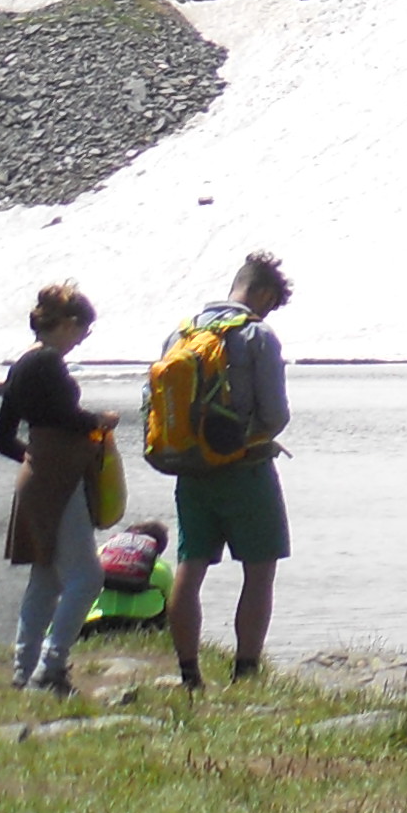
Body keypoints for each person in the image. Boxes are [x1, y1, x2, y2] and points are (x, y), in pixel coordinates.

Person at [165, 251, 294, 690]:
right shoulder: (258, 336)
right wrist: (253, 437)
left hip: (191, 470)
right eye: (271, 301)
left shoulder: (179, 335)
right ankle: (246, 672)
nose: (268, 310)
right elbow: (275, 415)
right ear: (258, 291)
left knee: (190, 564)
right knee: (259, 570)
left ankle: (188, 673)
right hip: (247, 471)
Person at [0, 281, 113, 694]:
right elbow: (66, 417)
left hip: (37, 478)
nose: (82, 339)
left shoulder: (23, 365)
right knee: (87, 578)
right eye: (83, 329)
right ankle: (50, 667)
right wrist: (99, 420)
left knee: (46, 578)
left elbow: (2, 438)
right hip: (57, 481)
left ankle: (23, 671)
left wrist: (34, 460)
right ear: (66, 323)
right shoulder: (47, 363)